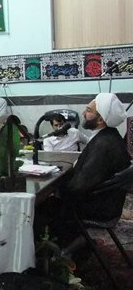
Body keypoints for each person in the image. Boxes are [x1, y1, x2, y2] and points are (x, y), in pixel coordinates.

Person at [36, 93, 130, 249]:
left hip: (98, 208)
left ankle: (56, 254)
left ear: (100, 120)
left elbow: (79, 186)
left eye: (88, 110)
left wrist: (54, 188)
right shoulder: (108, 136)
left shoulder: (103, 145)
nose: (83, 113)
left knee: (39, 207)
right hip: (103, 202)